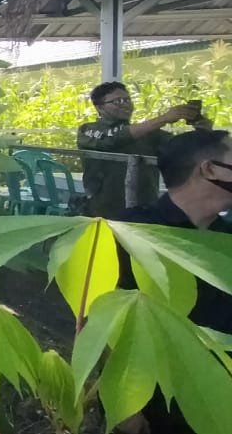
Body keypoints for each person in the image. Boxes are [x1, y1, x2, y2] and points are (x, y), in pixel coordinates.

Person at [114, 129, 232, 434]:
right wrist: (125, 405)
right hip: (159, 396)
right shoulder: (131, 230)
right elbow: (102, 319)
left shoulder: (226, 237)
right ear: (209, 169)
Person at [77, 82, 209, 217]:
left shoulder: (149, 134)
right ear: (100, 108)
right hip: (104, 209)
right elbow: (113, 138)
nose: (125, 104)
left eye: (128, 100)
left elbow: (183, 148)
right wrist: (164, 119)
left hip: (144, 207)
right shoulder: (87, 130)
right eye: (118, 101)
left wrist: (203, 131)